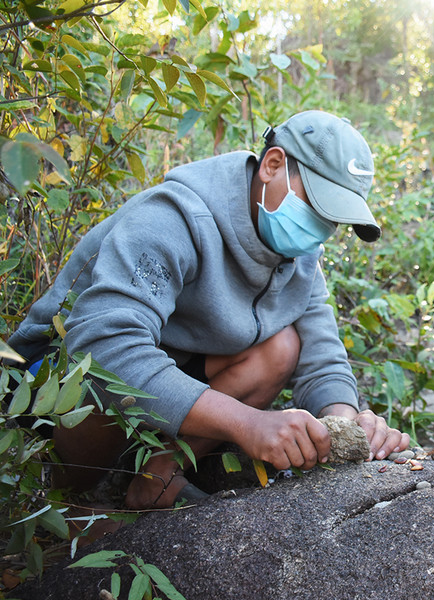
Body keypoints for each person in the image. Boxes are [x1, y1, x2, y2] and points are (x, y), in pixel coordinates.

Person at [7, 110, 410, 509]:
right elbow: (103, 350)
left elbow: (321, 354)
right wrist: (246, 422)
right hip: (48, 383)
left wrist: (344, 420)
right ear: (272, 165)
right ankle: (63, 500)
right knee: (97, 373)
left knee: (283, 346)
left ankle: (156, 474)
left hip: (162, 380)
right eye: (317, 207)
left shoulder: (300, 257)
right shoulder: (173, 218)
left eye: (333, 220)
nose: (321, 229)